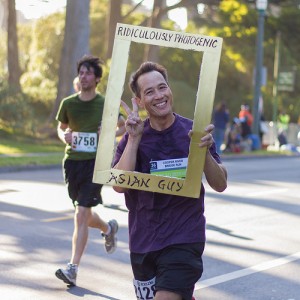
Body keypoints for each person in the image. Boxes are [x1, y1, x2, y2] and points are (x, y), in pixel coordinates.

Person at [112, 62, 227, 300]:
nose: (159, 95)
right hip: (143, 242)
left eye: (162, 87)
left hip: (184, 238)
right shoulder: (133, 136)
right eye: (149, 91)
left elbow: (220, 183)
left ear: (170, 90)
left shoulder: (194, 132)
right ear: (140, 101)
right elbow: (119, 184)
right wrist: (133, 140)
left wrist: (203, 152)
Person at [55, 55, 118, 286]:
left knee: (81, 214)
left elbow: (122, 125)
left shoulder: (104, 104)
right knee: (84, 214)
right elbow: (61, 128)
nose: (83, 76)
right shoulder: (68, 103)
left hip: (95, 164)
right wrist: (66, 137)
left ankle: (72, 268)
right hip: (72, 164)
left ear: (97, 78)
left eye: (88, 72)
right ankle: (108, 227)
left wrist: (108, 130)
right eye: (81, 72)